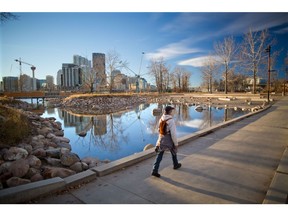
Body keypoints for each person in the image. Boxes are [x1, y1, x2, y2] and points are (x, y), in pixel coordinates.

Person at [151, 105, 181, 177]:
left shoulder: (161, 119)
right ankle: (175, 164)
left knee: (160, 154)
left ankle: (155, 170)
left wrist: (158, 142)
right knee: (173, 150)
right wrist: (176, 143)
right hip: (169, 138)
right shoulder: (171, 121)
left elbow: (159, 130)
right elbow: (173, 133)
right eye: (172, 111)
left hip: (162, 138)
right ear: (170, 112)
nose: (173, 112)